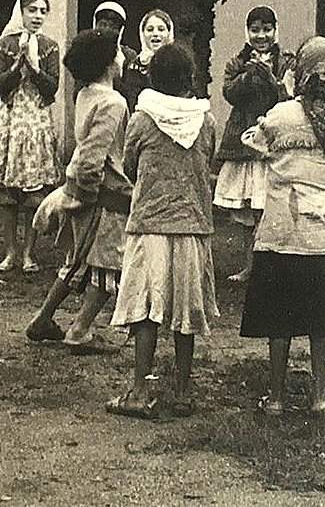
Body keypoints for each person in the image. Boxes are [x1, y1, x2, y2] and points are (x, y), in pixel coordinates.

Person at [240, 37, 325, 416]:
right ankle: (320, 396)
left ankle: (276, 398)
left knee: (279, 319)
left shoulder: (281, 115)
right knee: (321, 319)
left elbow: (256, 142)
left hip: (284, 227)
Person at [107, 43, 217, 420]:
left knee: (145, 310)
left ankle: (139, 390)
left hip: (150, 224)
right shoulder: (207, 120)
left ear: (152, 77)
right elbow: (209, 158)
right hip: (191, 226)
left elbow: (129, 164)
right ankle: (183, 391)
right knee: (185, 311)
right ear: (190, 78)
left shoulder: (141, 120)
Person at [27, 28, 130, 352]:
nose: (124, 56)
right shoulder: (113, 102)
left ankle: (42, 319)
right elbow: (94, 155)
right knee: (107, 264)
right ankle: (80, 329)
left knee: (76, 261)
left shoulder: (85, 94)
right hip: (102, 193)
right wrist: (86, 194)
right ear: (109, 62)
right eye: (119, 51)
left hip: (82, 188)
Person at [212, 6, 292, 283]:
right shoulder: (237, 61)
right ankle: (250, 264)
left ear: (275, 30)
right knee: (249, 209)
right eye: (255, 30)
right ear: (247, 32)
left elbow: (288, 97)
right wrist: (250, 75)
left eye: (266, 29)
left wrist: (270, 78)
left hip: (271, 140)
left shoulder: (286, 61)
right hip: (245, 143)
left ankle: (269, 265)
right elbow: (229, 93)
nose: (261, 35)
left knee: (268, 207)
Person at [0, 0, 61, 273]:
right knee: (8, 193)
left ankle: (30, 253)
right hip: (10, 118)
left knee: (34, 192)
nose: (38, 16)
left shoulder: (50, 46)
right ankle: (9, 252)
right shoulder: (4, 43)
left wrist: (34, 67)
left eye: (43, 11)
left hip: (37, 119)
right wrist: (18, 66)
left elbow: (52, 86)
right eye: (33, 10)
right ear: (21, 12)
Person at [123, 9, 174, 114]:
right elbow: (133, 101)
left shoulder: (177, 62)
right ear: (142, 33)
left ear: (169, 33)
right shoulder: (134, 66)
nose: (155, 34)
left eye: (161, 29)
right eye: (150, 29)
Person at [91, 1, 138, 105]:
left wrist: (119, 70)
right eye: (102, 24)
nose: (106, 30)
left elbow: (130, 96)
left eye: (112, 26)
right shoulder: (86, 52)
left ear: (120, 30)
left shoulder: (128, 55)